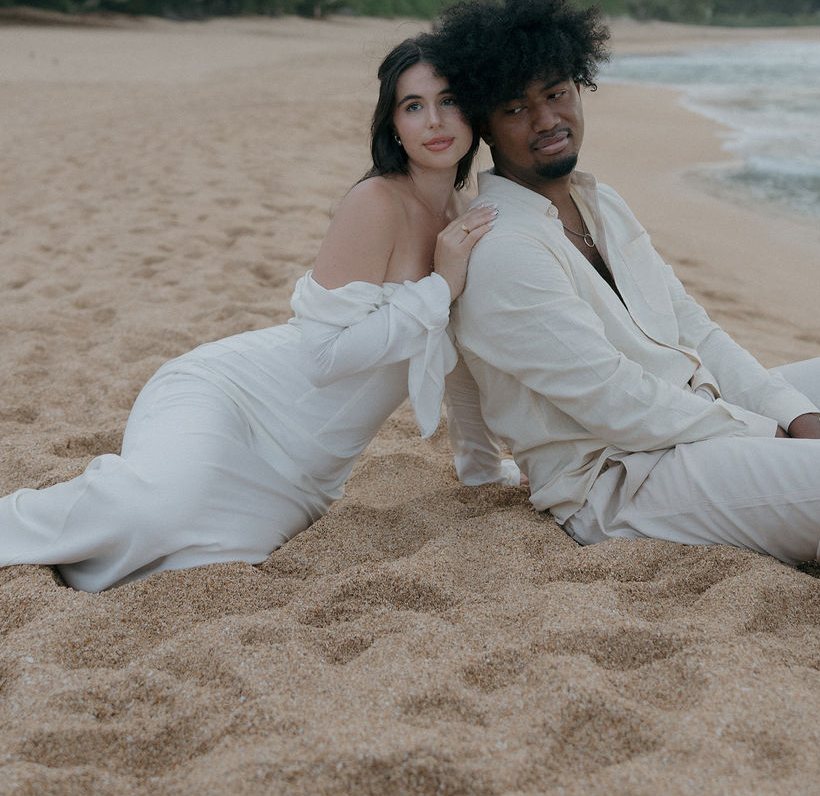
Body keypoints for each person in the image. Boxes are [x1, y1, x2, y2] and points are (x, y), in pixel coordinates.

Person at [429, 0, 820, 648]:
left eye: (557, 92)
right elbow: (615, 404)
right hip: (625, 483)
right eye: (517, 107)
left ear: (579, 85)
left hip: (696, 421)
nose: (545, 120)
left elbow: (696, 329)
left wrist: (793, 411)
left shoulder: (602, 204)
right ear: (485, 123)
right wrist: (766, 435)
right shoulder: (506, 249)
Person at [0, 35, 518, 592]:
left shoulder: (464, 216)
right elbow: (322, 358)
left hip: (303, 478)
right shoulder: (376, 203)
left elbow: (461, 350)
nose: (434, 121)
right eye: (413, 105)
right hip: (234, 400)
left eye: (448, 100)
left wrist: (482, 466)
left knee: (199, 564)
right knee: (149, 513)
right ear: (392, 124)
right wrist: (439, 285)